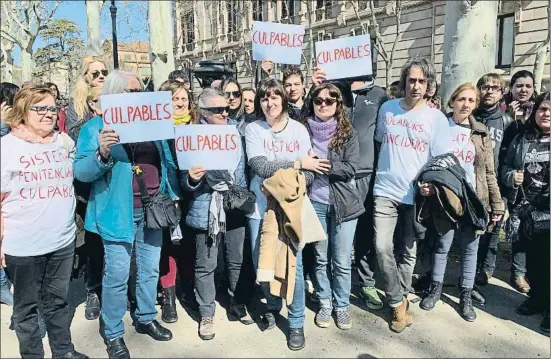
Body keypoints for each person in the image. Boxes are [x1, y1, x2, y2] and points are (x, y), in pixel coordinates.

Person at [74, 71, 180, 359]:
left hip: (152, 210)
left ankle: (145, 317)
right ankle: (113, 333)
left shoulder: (152, 125)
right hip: (116, 213)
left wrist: (173, 190)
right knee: (117, 275)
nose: (136, 97)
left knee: (150, 270)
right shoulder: (95, 128)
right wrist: (103, 152)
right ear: (113, 95)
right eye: (130, 92)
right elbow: (81, 172)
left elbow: (167, 162)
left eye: (139, 91)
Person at [1, 86, 88, 359]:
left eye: (52, 108)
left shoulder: (64, 142)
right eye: (40, 108)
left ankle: (63, 351)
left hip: (62, 241)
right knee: (26, 310)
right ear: (23, 112)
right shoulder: (6, 148)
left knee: (58, 302)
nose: (48, 114)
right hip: (23, 245)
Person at [245, 79, 328, 350]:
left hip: (292, 207)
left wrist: (288, 179)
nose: (270, 103)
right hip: (260, 207)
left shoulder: (299, 130)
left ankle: (295, 323)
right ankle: (271, 305)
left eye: (274, 97)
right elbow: (259, 166)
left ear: (283, 99)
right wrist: (295, 163)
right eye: (264, 98)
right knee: (264, 260)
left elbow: (309, 171)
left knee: (295, 265)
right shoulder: (253, 129)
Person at [372, 57, 452, 333]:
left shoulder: (436, 118)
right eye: (411, 80)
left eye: (422, 81)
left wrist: (432, 186)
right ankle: (396, 302)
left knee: (407, 252)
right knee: (382, 246)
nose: (416, 86)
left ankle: (402, 299)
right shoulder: (388, 109)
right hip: (385, 189)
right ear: (404, 81)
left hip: (417, 196)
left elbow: (442, 160)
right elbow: (381, 141)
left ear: (429, 86)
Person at [419, 83, 504, 321]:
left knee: (470, 249)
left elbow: (489, 172)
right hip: (446, 196)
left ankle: (465, 295)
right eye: (461, 99)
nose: (465, 104)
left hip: (474, 197)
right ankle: (435, 288)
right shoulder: (440, 126)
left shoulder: (481, 133)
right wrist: (426, 186)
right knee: (442, 245)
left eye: (471, 100)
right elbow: (427, 161)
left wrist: (497, 204)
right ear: (452, 101)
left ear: (475, 104)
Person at [181, 88, 254, 340]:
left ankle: (237, 301)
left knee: (236, 258)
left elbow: (242, 169)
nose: (225, 112)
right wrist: (191, 178)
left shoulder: (234, 131)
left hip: (233, 202)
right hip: (206, 206)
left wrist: (240, 196)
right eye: (218, 110)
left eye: (227, 108)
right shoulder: (191, 136)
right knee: (207, 264)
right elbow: (182, 179)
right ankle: (207, 313)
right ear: (203, 112)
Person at [300, 83, 364, 329]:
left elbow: (351, 168)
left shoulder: (348, 133)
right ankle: (325, 302)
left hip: (343, 205)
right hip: (314, 202)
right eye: (318, 100)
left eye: (329, 100)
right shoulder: (303, 130)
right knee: (320, 258)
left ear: (339, 104)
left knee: (341, 260)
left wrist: (322, 165)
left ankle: (342, 306)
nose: (323, 104)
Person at [472, 73, 529, 293]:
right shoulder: (471, 116)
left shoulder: (507, 123)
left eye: (495, 88)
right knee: (473, 229)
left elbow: (510, 158)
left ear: (502, 92)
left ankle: (485, 269)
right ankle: (471, 268)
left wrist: (505, 190)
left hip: (496, 184)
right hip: (472, 181)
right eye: (485, 87)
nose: (489, 91)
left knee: (492, 231)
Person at [502, 92, 550, 334]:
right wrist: (512, 177)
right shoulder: (522, 138)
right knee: (533, 260)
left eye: (550, 110)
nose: (546, 114)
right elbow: (506, 166)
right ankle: (537, 298)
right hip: (526, 210)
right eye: (542, 109)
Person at [157, 79, 196, 323]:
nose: (180, 103)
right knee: (167, 247)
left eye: (183, 98)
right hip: (165, 194)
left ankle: (188, 289)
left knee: (188, 245)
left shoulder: (197, 127)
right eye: (174, 99)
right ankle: (168, 296)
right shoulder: (157, 130)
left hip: (193, 193)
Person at [67, 56, 107, 141]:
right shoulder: (77, 101)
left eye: (104, 72)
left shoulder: (116, 95)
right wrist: (98, 119)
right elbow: (74, 134)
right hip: (90, 151)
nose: (101, 76)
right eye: (95, 74)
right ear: (85, 76)